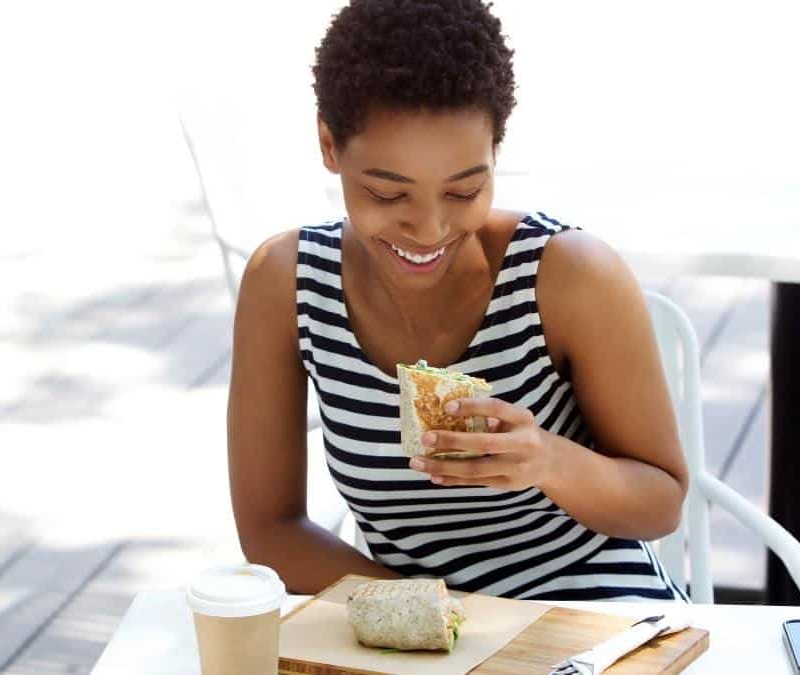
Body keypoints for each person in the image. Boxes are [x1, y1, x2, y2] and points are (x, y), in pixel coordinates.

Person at [227, 0, 688, 601]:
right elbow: (271, 529)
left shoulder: (569, 275)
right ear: (329, 146)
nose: (429, 227)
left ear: (497, 149)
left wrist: (547, 460)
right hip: (413, 633)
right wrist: (437, 621)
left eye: (464, 189)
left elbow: (660, 502)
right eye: (386, 193)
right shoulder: (286, 283)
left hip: (601, 616)